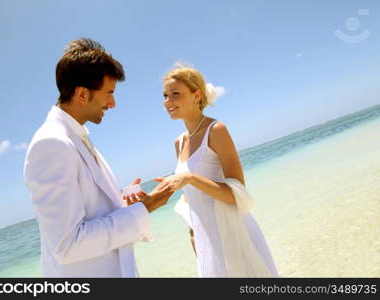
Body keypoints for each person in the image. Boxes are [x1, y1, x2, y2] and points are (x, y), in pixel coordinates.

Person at [23, 38, 173, 277]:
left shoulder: (74, 137)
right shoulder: (51, 143)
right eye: (109, 93)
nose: (112, 103)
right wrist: (145, 207)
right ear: (82, 94)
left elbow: (87, 206)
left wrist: (119, 199)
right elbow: (68, 246)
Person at [156, 65, 278, 277]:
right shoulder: (179, 142)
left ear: (196, 95)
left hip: (233, 233)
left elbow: (237, 194)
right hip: (206, 239)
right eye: (165, 95)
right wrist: (192, 230)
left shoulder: (216, 130)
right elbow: (189, 198)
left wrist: (190, 178)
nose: (168, 102)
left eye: (175, 94)